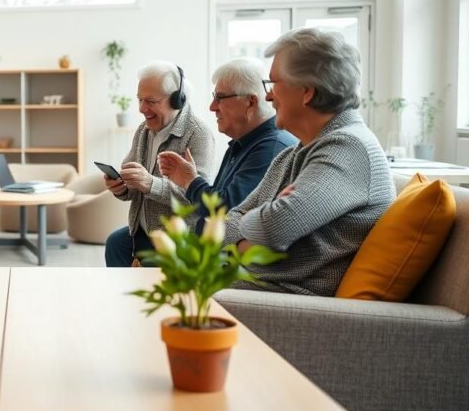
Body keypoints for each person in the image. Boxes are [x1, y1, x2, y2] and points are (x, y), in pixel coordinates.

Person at [223, 28, 394, 296]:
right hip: (254, 287)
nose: (268, 96)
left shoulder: (349, 147)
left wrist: (255, 226)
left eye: (273, 84)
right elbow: (229, 219)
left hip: (291, 300)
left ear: (306, 92)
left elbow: (273, 228)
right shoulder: (295, 152)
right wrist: (261, 222)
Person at [157, 57, 296, 226]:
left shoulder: (270, 149)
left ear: (250, 102)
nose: (212, 107)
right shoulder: (242, 142)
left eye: (220, 98)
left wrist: (190, 180)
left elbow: (225, 212)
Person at [104, 61, 216, 267]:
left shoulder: (199, 135)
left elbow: (198, 200)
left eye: (150, 101)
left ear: (177, 99)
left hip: (177, 239)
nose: (141, 108)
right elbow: (133, 186)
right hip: (142, 233)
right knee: (115, 242)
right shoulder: (143, 130)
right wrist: (121, 187)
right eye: (139, 100)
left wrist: (150, 184)